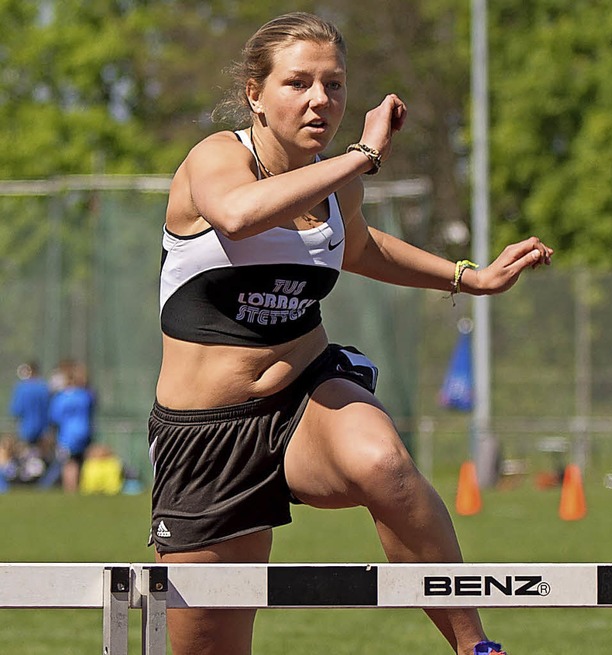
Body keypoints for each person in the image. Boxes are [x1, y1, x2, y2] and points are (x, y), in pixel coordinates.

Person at [148, 12, 553, 655]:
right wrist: (360, 157)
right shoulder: (218, 159)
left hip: (305, 397)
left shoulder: (336, 187)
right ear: (255, 93)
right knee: (210, 646)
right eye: (298, 83)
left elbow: (359, 248)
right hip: (208, 432)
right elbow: (240, 215)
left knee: (384, 465)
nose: (320, 100)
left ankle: (477, 647)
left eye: (334, 86)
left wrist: (467, 277)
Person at [47, 361, 96, 492]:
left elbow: (55, 417)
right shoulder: (84, 395)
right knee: (80, 460)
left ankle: (71, 489)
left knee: (69, 463)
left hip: (67, 434)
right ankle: (79, 486)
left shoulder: (61, 398)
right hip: (84, 430)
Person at [8, 361, 51, 450]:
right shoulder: (43, 387)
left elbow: (16, 410)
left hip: (26, 430)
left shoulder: (21, 388)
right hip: (43, 430)